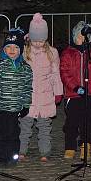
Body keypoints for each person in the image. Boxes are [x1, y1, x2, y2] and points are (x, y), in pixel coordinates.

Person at [18, 13, 62, 162]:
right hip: (28, 97)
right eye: (35, 40)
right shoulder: (24, 52)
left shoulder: (52, 52)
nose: (38, 43)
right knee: (25, 126)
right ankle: (21, 150)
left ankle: (45, 151)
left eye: (41, 40)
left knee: (44, 127)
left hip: (45, 97)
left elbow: (55, 74)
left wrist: (58, 92)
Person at [59, 21, 91, 159]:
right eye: (79, 36)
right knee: (72, 122)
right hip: (73, 94)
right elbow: (64, 72)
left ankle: (86, 146)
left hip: (88, 93)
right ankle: (70, 146)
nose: (82, 39)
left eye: (84, 36)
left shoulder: (90, 53)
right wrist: (74, 87)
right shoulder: (67, 52)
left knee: (88, 122)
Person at [0, 28, 33, 166]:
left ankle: (12, 157)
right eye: (9, 47)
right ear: (4, 50)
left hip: (14, 108)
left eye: (15, 47)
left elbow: (27, 88)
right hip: (0, 107)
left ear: (20, 50)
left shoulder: (25, 68)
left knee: (12, 134)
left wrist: (26, 104)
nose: (12, 50)